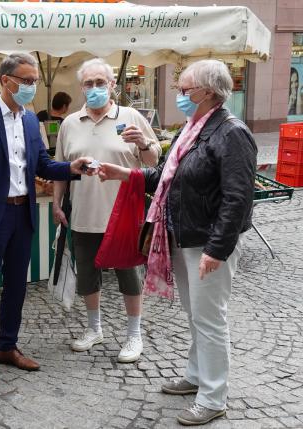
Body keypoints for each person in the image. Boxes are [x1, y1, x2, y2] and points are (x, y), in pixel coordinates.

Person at [97, 59, 257, 426]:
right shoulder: (194, 128)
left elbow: (237, 199)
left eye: (185, 90)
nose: (180, 96)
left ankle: (213, 396)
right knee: (195, 315)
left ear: (209, 92)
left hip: (207, 242)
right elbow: (169, 179)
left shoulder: (231, 132)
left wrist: (217, 249)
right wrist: (128, 173)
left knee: (210, 318)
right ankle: (197, 375)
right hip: (182, 236)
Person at [0, 53, 96, 390]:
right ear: (5, 80)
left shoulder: (29, 121)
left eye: (35, 80)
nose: (31, 86)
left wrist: (71, 168)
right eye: (25, 80)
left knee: (16, 287)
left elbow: (41, 165)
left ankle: (7, 347)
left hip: (21, 214)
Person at [53, 58, 161, 362]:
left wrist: (143, 144)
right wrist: (57, 204)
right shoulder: (70, 123)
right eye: (89, 84)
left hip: (125, 214)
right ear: (81, 88)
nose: (95, 88)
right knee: (88, 274)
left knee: (129, 276)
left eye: (101, 82)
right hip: (84, 213)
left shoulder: (131, 117)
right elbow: (62, 168)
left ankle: (133, 335)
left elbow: (154, 162)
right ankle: (94, 328)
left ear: (112, 85)